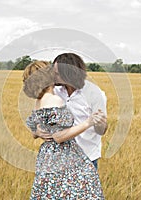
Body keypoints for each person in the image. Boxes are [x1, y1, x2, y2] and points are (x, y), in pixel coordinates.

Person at [23, 60, 105, 199]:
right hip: (62, 156)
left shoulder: (39, 101)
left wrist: (38, 131)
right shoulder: (55, 100)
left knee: (51, 193)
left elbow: (33, 132)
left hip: (47, 157)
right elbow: (59, 137)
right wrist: (88, 122)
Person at [35, 53, 108, 169]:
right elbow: (37, 120)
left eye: (57, 73)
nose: (53, 76)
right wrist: (37, 130)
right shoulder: (54, 91)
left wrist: (100, 123)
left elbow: (101, 130)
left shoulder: (95, 94)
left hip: (86, 158)